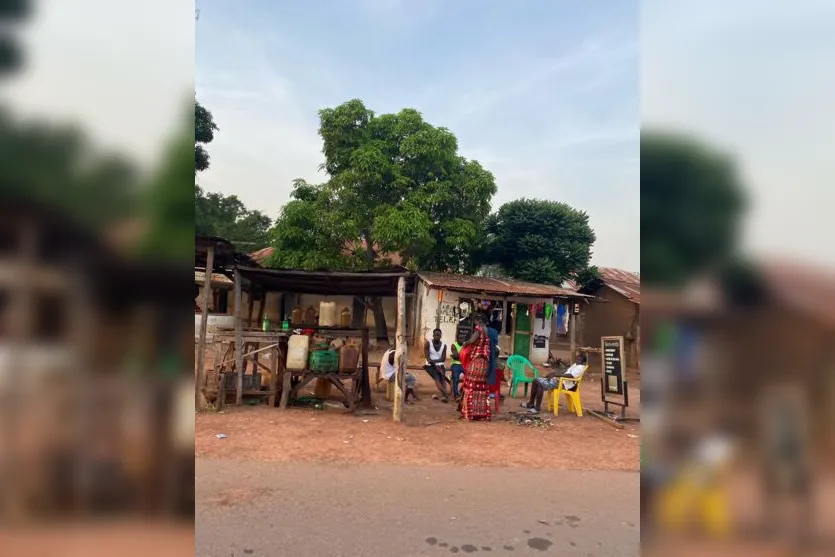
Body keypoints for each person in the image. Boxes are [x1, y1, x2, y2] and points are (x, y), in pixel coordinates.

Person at [521, 354, 587, 413]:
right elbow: (566, 370)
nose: (577, 361)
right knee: (535, 381)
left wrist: (555, 375)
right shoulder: (576, 364)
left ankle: (537, 408)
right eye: (577, 359)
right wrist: (553, 373)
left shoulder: (580, 367)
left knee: (539, 383)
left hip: (563, 384)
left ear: (583, 362)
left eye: (579, 360)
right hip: (559, 381)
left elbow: (571, 376)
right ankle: (531, 403)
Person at [458, 314, 493, 420]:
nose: (474, 324)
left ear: (479, 321)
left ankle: (469, 412)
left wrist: (464, 344)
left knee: (470, 386)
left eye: (475, 321)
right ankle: (482, 413)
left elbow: (471, 341)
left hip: (477, 361)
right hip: (485, 363)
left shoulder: (479, 330)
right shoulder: (487, 330)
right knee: (481, 387)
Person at [423, 328, 450, 403]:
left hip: (440, 364)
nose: (437, 336)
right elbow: (428, 357)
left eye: (439, 335)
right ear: (433, 335)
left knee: (442, 377)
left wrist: (434, 361)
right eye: (436, 335)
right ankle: (445, 394)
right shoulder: (428, 343)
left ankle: (444, 395)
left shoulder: (444, 345)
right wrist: (432, 362)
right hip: (430, 365)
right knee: (437, 377)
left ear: (441, 336)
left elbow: (443, 358)